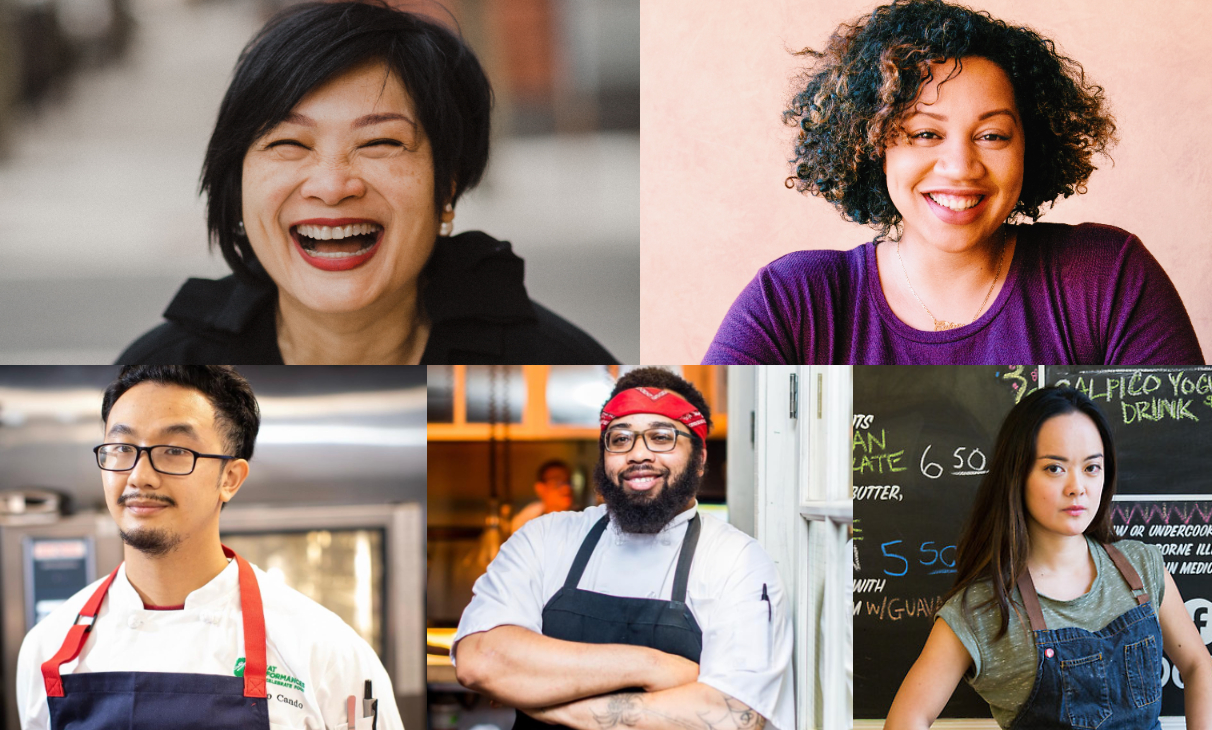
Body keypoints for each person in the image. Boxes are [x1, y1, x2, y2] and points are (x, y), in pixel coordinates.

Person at [703, 0, 1202, 365]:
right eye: (925, 133)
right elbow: (704, 483)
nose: (960, 166)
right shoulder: (793, 302)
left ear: (1031, 145)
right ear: (875, 147)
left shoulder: (1106, 278)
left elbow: (1192, 468)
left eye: (991, 134)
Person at [115, 1, 615, 365]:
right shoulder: (159, 373)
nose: (332, 186)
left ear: (447, 186)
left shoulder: (563, 372)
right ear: (237, 183)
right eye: (289, 144)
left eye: (381, 143)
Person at [15, 366, 403, 729]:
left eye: (176, 451)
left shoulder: (325, 650)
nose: (139, 476)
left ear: (230, 478)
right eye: (122, 448)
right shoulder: (48, 647)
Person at [452, 367, 794, 729]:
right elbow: (482, 661)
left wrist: (552, 706)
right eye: (620, 439)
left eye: (662, 437)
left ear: (700, 456)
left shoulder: (736, 561)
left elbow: (731, 715)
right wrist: (653, 666)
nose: (638, 454)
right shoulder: (545, 538)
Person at [884, 386, 1212, 729]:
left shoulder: (1143, 566)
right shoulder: (981, 609)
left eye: (1091, 468)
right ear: (1018, 475)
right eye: (1055, 469)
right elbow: (909, 718)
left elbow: (1197, 666)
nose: (1078, 487)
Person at [511, 459, 575, 533]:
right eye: (557, 483)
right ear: (540, 488)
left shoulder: (583, 521)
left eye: (568, 482)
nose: (566, 488)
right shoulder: (526, 524)